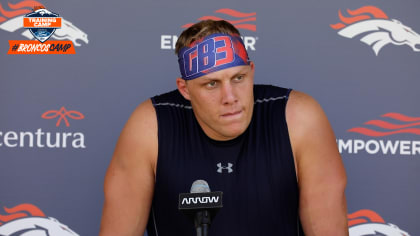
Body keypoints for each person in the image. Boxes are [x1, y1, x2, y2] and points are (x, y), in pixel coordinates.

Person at [99, 20, 348, 236]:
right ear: (184, 89)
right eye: (211, 84)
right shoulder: (150, 126)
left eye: (238, 78)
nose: (230, 97)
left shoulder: (297, 118)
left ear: (251, 72)